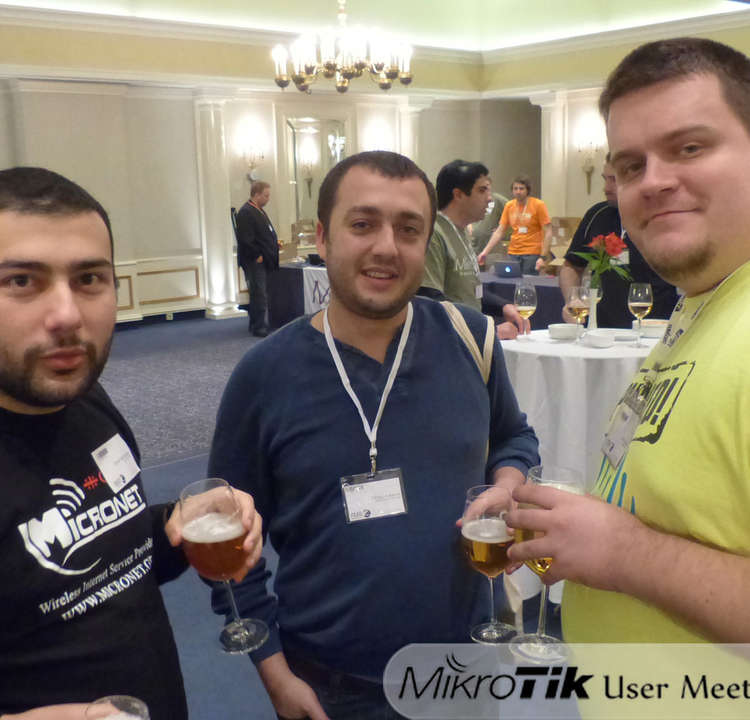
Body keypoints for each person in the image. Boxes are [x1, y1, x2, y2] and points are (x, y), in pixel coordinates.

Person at [208, 150, 539, 719]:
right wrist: (274, 673)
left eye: (409, 230)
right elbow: (225, 539)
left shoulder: (471, 339)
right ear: (323, 237)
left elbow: (514, 437)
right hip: (331, 685)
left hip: (464, 672)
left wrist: (507, 485)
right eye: (362, 224)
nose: (387, 247)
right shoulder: (264, 375)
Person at [506, 37, 750, 646]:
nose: (654, 182)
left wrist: (624, 553)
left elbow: (630, 551)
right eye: (631, 166)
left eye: (689, 148)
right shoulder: (705, 302)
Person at [0, 167, 261, 719]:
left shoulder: (87, 403)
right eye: (21, 281)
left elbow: (114, 557)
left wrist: (176, 526)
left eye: (89, 278)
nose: (68, 315)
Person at [559, 157, 678, 327]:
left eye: (614, 180)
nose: (606, 188)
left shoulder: (662, 217)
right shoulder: (597, 215)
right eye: (605, 179)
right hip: (602, 329)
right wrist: (572, 299)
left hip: (653, 328)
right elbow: (571, 266)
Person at [418, 160, 529, 339]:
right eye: (482, 190)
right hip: (448, 343)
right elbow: (431, 302)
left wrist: (503, 306)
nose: (490, 198)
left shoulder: (461, 232)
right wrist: (488, 331)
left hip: (468, 338)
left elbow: (469, 290)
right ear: (458, 194)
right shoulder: (435, 234)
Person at [477, 175, 552, 276]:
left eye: (521, 188)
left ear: (527, 190)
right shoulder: (509, 206)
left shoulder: (538, 205)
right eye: (515, 189)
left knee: (528, 281)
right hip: (513, 253)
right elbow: (500, 231)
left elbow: (548, 232)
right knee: (512, 281)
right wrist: (485, 252)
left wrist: (543, 257)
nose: (518, 191)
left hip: (532, 253)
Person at [236, 181, 280, 337]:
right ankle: (259, 327)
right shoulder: (246, 212)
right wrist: (257, 256)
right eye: (266, 196)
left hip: (264, 259)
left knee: (260, 293)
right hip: (254, 261)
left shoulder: (259, 211)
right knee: (259, 294)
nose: (268, 199)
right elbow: (246, 239)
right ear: (256, 194)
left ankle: (257, 323)